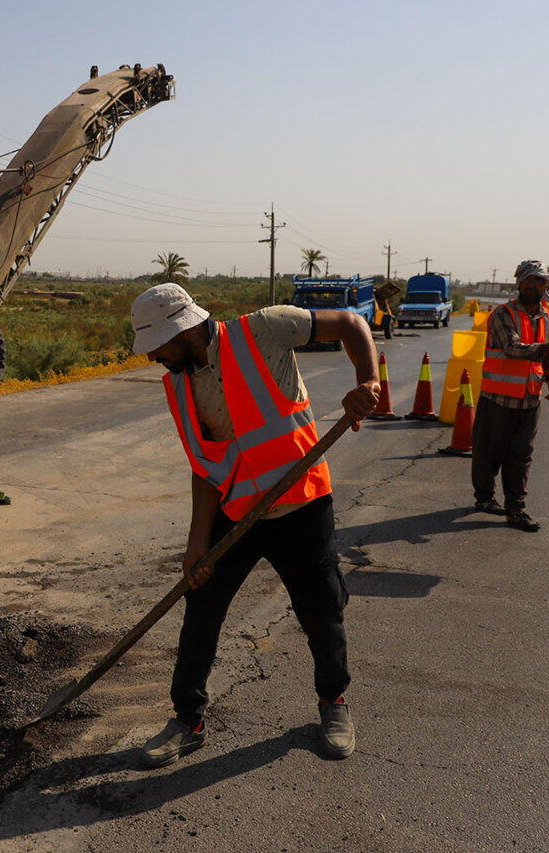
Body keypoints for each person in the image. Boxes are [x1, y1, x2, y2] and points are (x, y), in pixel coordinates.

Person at [130, 282, 380, 768]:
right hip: (237, 511)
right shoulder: (181, 383)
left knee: (321, 611)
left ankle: (334, 704)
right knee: (201, 609)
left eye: (158, 345)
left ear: (183, 329)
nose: (154, 356)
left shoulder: (264, 330)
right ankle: (188, 721)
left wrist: (368, 382)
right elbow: (205, 466)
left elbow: (352, 323)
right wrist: (197, 544)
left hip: (301, 502)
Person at [471, 260, 549, 532]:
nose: (532, 286)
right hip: (497, 399)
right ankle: (485, 498)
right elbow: (512, 348)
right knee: (489, 454)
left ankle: (516, 509)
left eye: (538, 282)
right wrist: (544, 349)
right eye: (527, 281)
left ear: (546, 286)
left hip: (529, 399)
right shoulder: (503, 314)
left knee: (521, 456)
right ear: (519, 283)